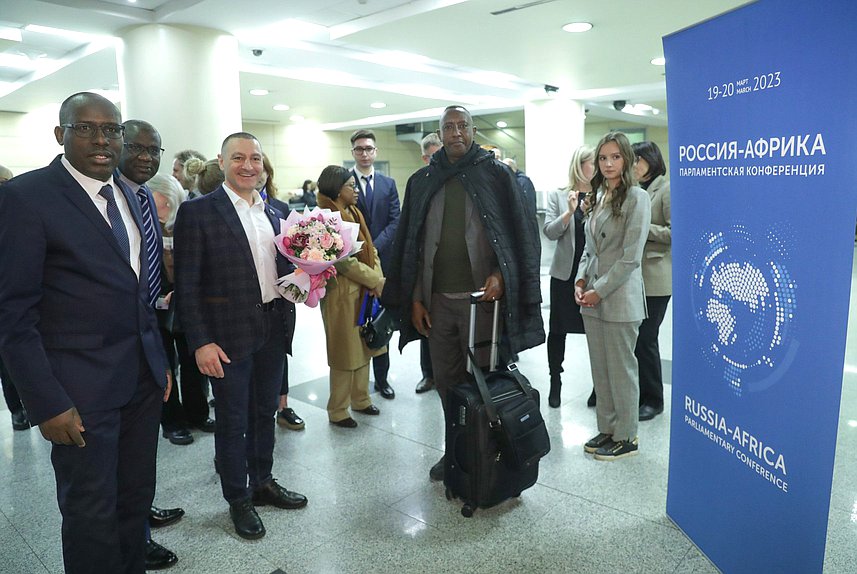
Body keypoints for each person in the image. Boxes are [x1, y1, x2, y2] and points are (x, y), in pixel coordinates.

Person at [0, 92, 170, 573]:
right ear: (61, 134)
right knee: (90, 511)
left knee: (135, 498)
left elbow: (139, 292)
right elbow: (13, 314)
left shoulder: (129, 193)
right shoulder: (25, 197)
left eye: (111, 129)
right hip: (77, 391)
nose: (102, 139)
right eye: (86, 128)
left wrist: (159, 363)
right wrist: (45, 401)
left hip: (140, 382)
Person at [385, 105, 544, 481]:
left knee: (485, 382)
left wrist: (500, 275)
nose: (455, 133)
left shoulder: (496, 176)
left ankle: (491, 452)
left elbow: (518, 236)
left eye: (462, 126)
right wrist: (416, 298)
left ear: (473, 130)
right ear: (439, 134)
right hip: (438, 304)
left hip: (483, 305)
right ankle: (456, 450)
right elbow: (412, 244)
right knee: (446, 382)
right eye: (448, 127)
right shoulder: (423, 180)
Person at [173, 132, 306, 541]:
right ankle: (238, 497)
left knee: (264, 412)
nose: (249, 166)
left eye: (255, 158)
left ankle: (263, 481)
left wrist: (311, 276)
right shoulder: (198, 214)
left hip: (272, 327)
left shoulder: (279, 211)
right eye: (238, 158)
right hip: (226, 337)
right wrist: (200, 341)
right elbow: (188, 285)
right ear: (222, 161)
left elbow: (287, 273)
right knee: (232, 422)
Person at [575, 132, 650, 461]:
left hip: (618, 298)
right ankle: (607, 430)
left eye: (615, 157)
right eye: (603, 158)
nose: (608, 164)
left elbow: (630, 258)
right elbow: (590, 248)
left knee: (621, 371)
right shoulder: (598, 195)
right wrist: (580, 280)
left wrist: (598, 290)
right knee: (601, 371)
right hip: (592, 297)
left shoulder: (637, 198)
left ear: (627, 160)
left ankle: (627, 435)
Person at [316, 165, 386, 428]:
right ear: (337, 189)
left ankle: (361, 398)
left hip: (365, 290)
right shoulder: (324, 218)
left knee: (363, 347)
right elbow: (342, 262)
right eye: (350, 186)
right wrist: (375, 280)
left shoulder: (353, 211)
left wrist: (375, 278)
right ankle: (337, 409)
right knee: (344, 353)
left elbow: (371, 249)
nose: (355, 190)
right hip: (341, 294)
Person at [350, 129, 400, 400]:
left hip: (383, 263)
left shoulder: (387, 184)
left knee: (382, 320)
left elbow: (396, 220)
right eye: (359, 149)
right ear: (353, 153)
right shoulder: (346, 185)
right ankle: (359, 385)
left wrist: (374, 248)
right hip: (354, 263)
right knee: (356, 322)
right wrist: (363, 252)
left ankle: (382, 379)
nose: (365, 153)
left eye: (369, 149)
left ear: (376, 151)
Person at [543, 145, 594, 408]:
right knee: (558, 329)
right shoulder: (559, 195)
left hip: (594, 275)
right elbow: (550, 232)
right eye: (592, 162)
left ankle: (599, 385)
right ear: (579, 164)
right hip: (565, 273)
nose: (597, 166)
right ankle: (555, 381)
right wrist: (570, 211)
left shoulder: (604, 194)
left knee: (597, 332)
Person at [256, 153, 305, 431]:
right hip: (250, 300)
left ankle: (282, 405)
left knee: (280, 351)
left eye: (263, 168)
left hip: (283, 297)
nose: (258, 173)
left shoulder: (280, 208)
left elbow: (294, 250)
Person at [632, 141, 671, 421]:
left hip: (657, 278)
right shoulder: (634, 190)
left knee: (647, 339)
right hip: (633, 277)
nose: (633, 166)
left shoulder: (665, 189)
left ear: (651, 160)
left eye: (638, 160)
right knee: (634, 339)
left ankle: (654, 400)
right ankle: (638, 394)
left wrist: (643, 228)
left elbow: (674, 232)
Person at [413, 132, 442, 395]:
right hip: (426, 266)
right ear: (425, 158)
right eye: (433, 156)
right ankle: (428, 375)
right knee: (426, 324)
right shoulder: (420, 184)